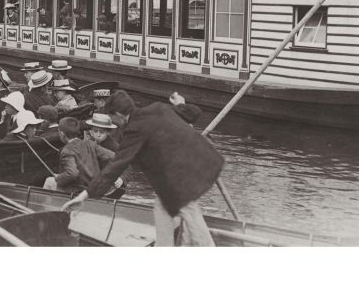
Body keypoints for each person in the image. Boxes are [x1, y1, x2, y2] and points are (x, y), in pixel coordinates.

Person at [62, 91, 225, 247]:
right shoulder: (157, 107)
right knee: (163, 207)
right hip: (204, 162)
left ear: (119, 115)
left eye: (112, 118)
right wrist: (180, 104)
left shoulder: (134, 130)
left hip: (183, 176)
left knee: (189, 212)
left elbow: (115, 167)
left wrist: (84, 196)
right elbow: (194, 113)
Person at [44, 116, 115, 193]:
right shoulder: (90, 144)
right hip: (94, 187)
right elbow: (113, 156)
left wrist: (59, 178)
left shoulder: (67, 150)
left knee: (49, 181)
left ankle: (47, 205)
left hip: (76, 190)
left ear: (62, 134)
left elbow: (72, 173)